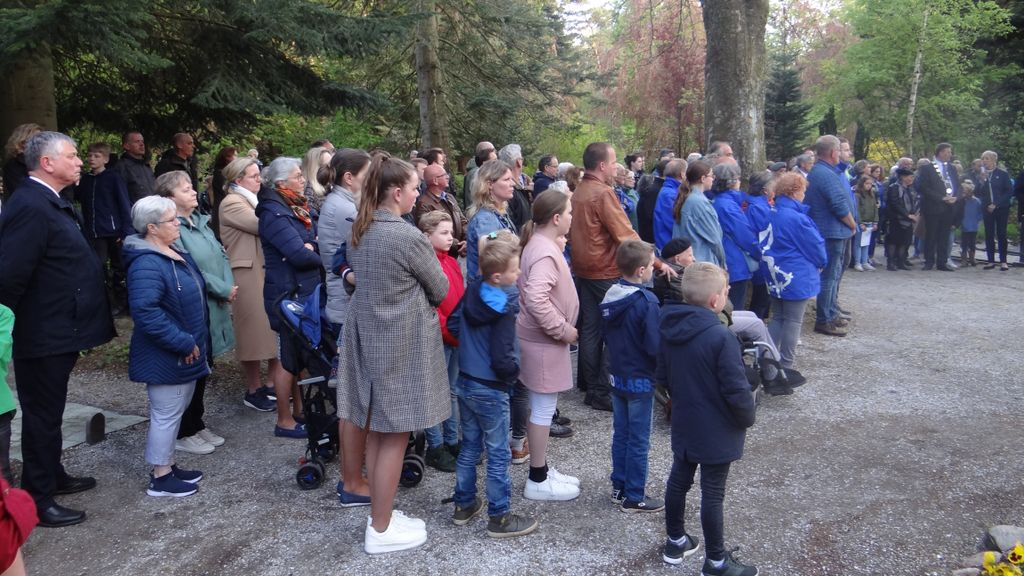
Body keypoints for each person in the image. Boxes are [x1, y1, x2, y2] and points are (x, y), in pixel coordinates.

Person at [336, 153, 449, 553]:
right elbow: (440, 288)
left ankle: (379, 515)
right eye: (416, 188)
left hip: (372, 338)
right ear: (397, 192)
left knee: (378, 431)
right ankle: (380, 529)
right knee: (394, 436)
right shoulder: (407, 236)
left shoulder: (361, 231)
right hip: (401, 343)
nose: (419, 195)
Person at [0, 131, 114, 528]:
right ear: (46, 163)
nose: (80, 161)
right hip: (42, 332)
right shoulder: (30, 205)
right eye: (72, 155)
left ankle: (52, 476)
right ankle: (38, 497)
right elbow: (10, 276)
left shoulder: (51, 200)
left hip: (60, 328)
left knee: (52, 411)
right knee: (42, 415)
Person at [658, 262, 757, 575]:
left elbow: (661, 376)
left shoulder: (668, 328)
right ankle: (716, 561)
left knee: (679, 480)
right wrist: (747, 416)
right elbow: (736, 388)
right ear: (716, 301)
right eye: (725, 291)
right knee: (712, 492)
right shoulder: (720, 336)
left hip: (685, 419)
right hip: (716, 426)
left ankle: (676, 540)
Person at [451, 229, 540, 538]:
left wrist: (470, 348)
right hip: (490, 386)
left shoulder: (473, 289)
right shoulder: (504, 305)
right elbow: (503, 354)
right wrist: (512, 374)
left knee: (471, 445)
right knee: (499, 452)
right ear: (500, 276)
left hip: (465, 380)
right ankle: (499, 516)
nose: (519, 275)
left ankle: (464, 504)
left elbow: (452, 322)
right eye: (516, 270)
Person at [122, 196, 207, 498]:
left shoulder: (170, 252)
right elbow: (146, 312)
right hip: (167, 353)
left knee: (175, 410)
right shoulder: (146, 263)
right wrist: (182, 340)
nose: (178, 224)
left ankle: (167, 465)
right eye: (172, 220)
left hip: (184, 349)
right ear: (152, 227)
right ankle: (160, 477)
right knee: (166, 413)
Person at [156, 171, 236, 454]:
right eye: (185, 188)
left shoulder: (201, 223)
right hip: (194, 303)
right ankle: (183, 430)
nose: (193, 192)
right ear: (168, 197)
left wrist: (228, 284)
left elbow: (221, 255)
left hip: (213, 302)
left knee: (205, 364)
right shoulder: (171, 228)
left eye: (192, 187)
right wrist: (220, 288)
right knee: (191, 365)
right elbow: (190, 268)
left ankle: (196, 423)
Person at [315, 148, 373, 506]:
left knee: (356, 396)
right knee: (353, 398)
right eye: (368, 176)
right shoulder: (346, 209)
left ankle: (357, 473)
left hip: (347, 302)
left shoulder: (343, 204)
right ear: (350, 178)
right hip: (346, 307)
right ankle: (352, 480)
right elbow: (351, 256)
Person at [516, 191, 581, 502]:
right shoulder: (543, 251)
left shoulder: (542, 245)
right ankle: (537, 479)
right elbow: (536, 298)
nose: (571, 217)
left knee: (542, 408)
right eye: (568, 212)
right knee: (542, 410)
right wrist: (564, 330)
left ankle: (541, 469)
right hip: (544, 342)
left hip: (542, 342)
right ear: (556, 218)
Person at [464, 158, 530, 461]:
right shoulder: (486, 219)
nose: (512, 183)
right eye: (506, 179)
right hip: (493, 301)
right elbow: (484, 245)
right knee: (503, 365)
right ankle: (502, 445)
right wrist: (512, 240)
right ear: (490, 185)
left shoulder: (498, 215)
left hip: (499, 297)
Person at [600, 240, 663, 513]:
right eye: (651, 266)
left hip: (617, 375)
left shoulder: (610, 296)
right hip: (640, 378)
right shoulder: (647, 302)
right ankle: (634, 495)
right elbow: (654, 345)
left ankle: (619, 486)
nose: (653, 270)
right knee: (638, 440)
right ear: (640, 270)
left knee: (621, 434)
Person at [257, 157, 318, 438]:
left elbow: (310, 242)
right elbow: (297, 254)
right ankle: (284, 420)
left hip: (300, 289)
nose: (302, 180)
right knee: (286, 359)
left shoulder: (294, 206)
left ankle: (300, 411)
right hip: (286, 293)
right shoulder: (273, 212)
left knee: (298, 357)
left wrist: (311, 246)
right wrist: (315, 253)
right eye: (297, 176)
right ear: (282, 183)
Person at [218, 157, 280, 413]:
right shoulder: (232, 203)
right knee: (252, 331)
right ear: (238, 179)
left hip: (263, 269)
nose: (260, 180)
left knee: (272, 329)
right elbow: (263, 225)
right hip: (247, 272)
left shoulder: (251, 200)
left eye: (260, 175)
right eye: (254, 176)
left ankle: (271, 384)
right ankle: (254, 389)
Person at [418, 211, 464, 473]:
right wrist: (450, 330)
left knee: (452, 390)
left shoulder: (451, 262)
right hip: (439, 337)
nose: (451, 237)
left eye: (451, 232)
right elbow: (433, 306)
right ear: (427, 236)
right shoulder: (427, 266)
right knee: (433, 392)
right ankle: (435, 446)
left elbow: (459, 296)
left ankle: (452, 439)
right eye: (444, 233)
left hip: (456, 336)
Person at [765, 173, 827, 370]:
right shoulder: (796, 218)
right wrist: (821, 262)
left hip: (775, 272)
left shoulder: (772, 211)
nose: (804, 195)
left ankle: (767, 361)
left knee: (778, 318)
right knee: (793, 321)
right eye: (803, 191)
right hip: (795, 273)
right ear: (794, 192)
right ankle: (786, 365)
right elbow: (815, 245)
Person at [803, 135, 856, 337]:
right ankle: (824, 319)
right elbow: (839, 205)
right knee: (829, 277)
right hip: (832, 233)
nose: (845, 154)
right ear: (833, 152)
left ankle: (831, 313)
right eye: (841, 151)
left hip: (832, 232)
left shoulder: (822, 172)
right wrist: (852, 225)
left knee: (833, 276)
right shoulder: (825, 174)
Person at [75, 142, 134, 316]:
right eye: (90, 155)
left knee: (120, 268)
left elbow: (124, 204)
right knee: (98, 267)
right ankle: (106, 303)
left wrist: (125, 231)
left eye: (97, 156)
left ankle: (124, 302)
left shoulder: (113, 178)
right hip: (94, 232)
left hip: (114, 232)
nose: (92, 159)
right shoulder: (85, 180)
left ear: (106, 159)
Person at [711, 162, 760, 311]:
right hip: (735, 261)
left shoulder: (717, 201)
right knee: (735, 308)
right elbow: (743, 234)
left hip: (727, 259)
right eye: (738, 179)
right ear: (731, 182)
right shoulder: (728, 206)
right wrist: (758, 252)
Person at [672, 160, 726, 267]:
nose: (713, 179)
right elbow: (714, 240)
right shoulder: (699, 203)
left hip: (691, 261)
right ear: (702, 178)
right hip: (702, 263)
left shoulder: (687, 197)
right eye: (711, 176)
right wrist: (722, 263)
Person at [915, 143, 959, 272]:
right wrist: (940, 197)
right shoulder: (927, 168)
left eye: (950, 152)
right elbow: (923, 187)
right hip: (933, 207)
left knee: (944, 235)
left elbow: (957, 184)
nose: (949, 155)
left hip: (949, 207)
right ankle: (929, 261)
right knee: (931, 235)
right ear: (940, 152)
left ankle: (942, 262)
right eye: (947, 152)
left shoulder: (951, 168)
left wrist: (956, 196)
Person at [413, 163, 467, 259]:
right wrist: (459, 245)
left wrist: (467, 240)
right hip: (440, 257)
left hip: (454, 253)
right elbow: (430, 232)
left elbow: (462, 220)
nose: (448, 177)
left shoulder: (449, 197)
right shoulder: (423, 204)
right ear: (435, 180)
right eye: (444, 175)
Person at [977, 151, 1013, 270]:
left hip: (1001, 208)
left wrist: (996, 203)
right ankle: (990, 260)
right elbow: (978, 192)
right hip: (987, 209)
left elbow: (1009, 191)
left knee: (1001, 233)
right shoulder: (982, 175)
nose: (984, 161)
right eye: (983, 159)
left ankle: (1003, 261)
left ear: (993, 160)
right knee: (989, 233)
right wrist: (982, 181)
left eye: (986, 159)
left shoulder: (1002, 174)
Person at [884, 167, 918, 271]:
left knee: (905, 241)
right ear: (903, 177)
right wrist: (907, 215)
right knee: (893, 241)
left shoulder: (909, 188)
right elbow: (895, 203)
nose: (911, 179)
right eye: (910, 177)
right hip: (896, 219)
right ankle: (891, 263)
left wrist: (913, 214)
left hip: (908, 219)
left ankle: (901, 261)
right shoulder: (894, 187)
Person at [111, 131, 156, 204]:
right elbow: (120, 195)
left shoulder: (146, 166)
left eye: (142, 142)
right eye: (137, 142)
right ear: (126, 146)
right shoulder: (121, 167)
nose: (141, 144)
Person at [1, 124, 41, 205]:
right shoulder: (13, 166)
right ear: (22, 142)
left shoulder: (43, 162)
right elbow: (23, 193)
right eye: (37, 140)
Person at [653, 159, 687, 250]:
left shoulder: (671, 191)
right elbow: (673, 223)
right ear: (682, 174)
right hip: (670, 246)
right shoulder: (670, 194)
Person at [207, 146, 237, 238]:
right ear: (227, 158)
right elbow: (227, 192)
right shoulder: (222, 174)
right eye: (235, 155)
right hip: (222, 210)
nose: (237, 157)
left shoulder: (224, 173)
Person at [852, 175, 878, 271]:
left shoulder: (872, 195)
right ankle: (857, 262)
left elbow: (875, 209)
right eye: (867, 183)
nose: (869, 186)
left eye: (871, 184)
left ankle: (865, 261)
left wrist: (875, 222)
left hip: (870, 222)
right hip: (861, 223)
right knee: (858, 244)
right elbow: (857, 210)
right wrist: (860, 222)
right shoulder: (857, 195)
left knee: (866, 243)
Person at [301, 145, 333, 214]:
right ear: (315, 168)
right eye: (328, 165)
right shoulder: (308, 192)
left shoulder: (327, 185)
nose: (332, 168)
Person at [957, 180, 982, 267]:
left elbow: (980, 213)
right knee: (964, 243)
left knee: (972, 243)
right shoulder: (962, 202)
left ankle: (972, 258)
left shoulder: (977, 201)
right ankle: (964, 259)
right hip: (965, 225)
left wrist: (978, 220)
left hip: (974, 225)